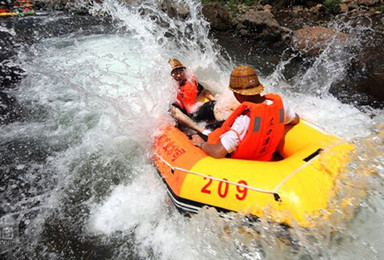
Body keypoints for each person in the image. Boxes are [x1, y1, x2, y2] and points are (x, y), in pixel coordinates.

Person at [192, 65, 300, 160]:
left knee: (196, 136)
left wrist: (201, 143)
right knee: (221, 123)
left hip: (242, 160)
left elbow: (218, 152)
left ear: (237, 94)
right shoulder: (281, 107)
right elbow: (296, 119)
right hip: (265, 156)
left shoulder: (243, 121)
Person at [168, 58, 218, 134]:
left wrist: (214, 99)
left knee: (214, 105)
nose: (179, 75)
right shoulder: (166, 92)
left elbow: (205, 91)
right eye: (175, 73)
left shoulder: (190, 82)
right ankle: (203, 131)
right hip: (185, 121)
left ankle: (227, 123)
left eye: (180, 71)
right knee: (173, 110)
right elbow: (174, 112)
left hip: (195, 115)